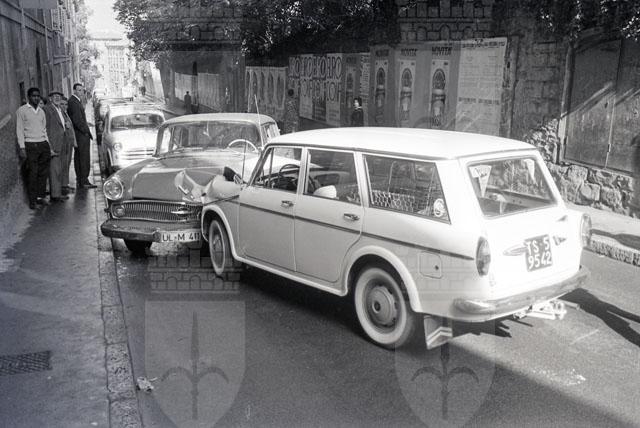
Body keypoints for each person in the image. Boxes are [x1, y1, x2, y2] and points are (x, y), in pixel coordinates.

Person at [16, 87, 50, 209]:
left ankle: (40, 197)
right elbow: (19, 129)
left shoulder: (41, 112)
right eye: (33, 96)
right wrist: (22, 147)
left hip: (43, 144)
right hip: (30, 145)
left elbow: (44, 129)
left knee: (43, 173)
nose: (36, 98)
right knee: (33, 173)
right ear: (29, 97)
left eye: (38, 96)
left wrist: (48, 144)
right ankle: (32, 201)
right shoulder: (22, 111)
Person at [67, 83, 96, 188]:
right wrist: (85, 131)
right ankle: (83, 180)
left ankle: (81, 180)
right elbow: (77, 120)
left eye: (82, 90)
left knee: (80, 157)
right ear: (74, 91)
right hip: (80, 135)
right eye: (78, 90)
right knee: (83, 158)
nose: (81, 92)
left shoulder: (75, 101)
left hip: (80, 134)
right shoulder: (74, 102)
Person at [43, 91, 69, 202]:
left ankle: (58, 192)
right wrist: (49, 147)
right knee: (54, 171)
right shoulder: (47, 110)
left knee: (60, 169)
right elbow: (44, 128)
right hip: (54, 145)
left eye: (59, 96)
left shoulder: (60, 109)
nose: (57, 98)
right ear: (50, 98)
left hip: (62, 143)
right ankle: (55, 195)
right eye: (55, 96)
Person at [59, 97, 77, 195]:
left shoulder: (66, 114)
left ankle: (65, 184)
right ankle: (63, 186)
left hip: (69, 142)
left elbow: (71, 128)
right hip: (64, 143)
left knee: (68, 163)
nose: (64, 106)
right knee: (64, 164)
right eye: (62, 104)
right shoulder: (60, 115)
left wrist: (74, 141)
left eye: (66, 104)